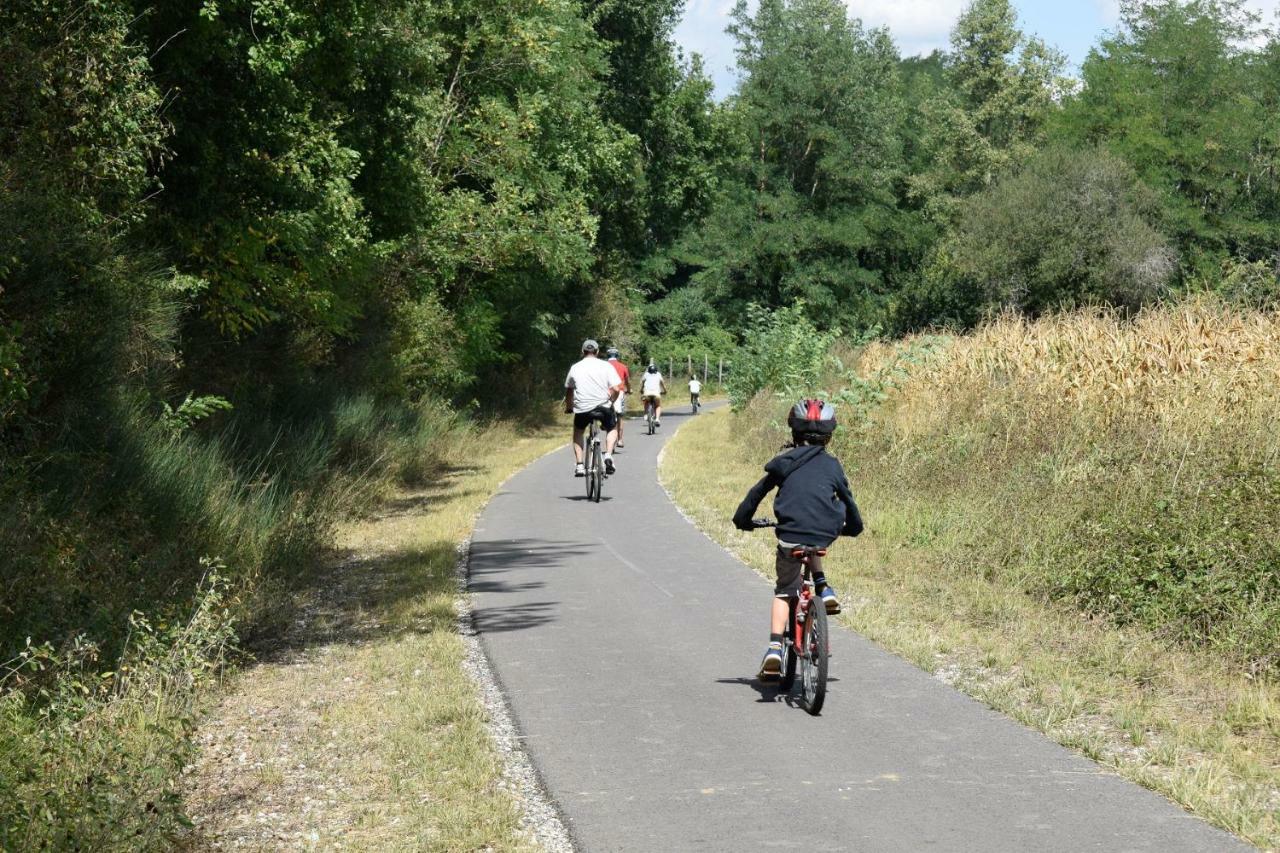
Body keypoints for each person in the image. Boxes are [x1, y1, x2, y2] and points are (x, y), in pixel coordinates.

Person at [732, 400, 863, 679]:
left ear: (794, 432)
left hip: (791, 536)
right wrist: (853, 527)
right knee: (814, 536)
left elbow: (756, 494)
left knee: (784, 590)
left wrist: (742, 519)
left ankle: (774, 649)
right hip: (823, 533)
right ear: (829, 436)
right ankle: (824, 588)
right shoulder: (833, 466)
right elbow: (848, 502)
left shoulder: (782, 463)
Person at [564, 340, 624, 476]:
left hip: (583, 409)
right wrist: (612, 401)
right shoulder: (606, 366)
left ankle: (579, 465)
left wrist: (569, 407)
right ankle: (608, 455)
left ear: (582, 352)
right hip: (603, 407)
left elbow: (569, 390)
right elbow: (616, 388)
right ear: (597, 352)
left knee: (578, 432)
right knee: (612, 428)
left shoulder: (575, 367)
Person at [606, 347, 631, 448]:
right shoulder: (623, 366)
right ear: (617, 356)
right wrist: (629, 389)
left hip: (606, 392)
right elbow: (627, 381)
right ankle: (620, 440)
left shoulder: (603, 366)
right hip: (619, 391)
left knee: (606, 415)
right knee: (620, 415)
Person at [640, 362, 667, 427]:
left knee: (646, 402)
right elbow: (662, 384)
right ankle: (657, 419)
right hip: (656, 393)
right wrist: (665, 391)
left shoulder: (646, 374)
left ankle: (646, 414)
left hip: (647, 393)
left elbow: (642, 382)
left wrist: (641, 389)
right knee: (658, 406)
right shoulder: (658, 374)